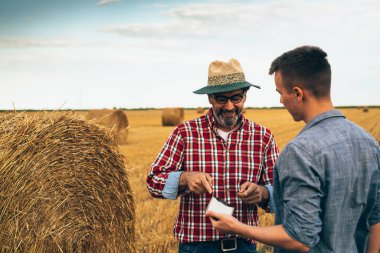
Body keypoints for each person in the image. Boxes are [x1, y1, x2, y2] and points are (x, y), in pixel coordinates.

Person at [206, 46, 380, 253]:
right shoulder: (368, 142)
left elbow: (300, 238)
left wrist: (239, 228)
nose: (280, 101)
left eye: (280, 93)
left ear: (297, 93)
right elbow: (375, 221)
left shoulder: (300, 151)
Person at [146, 58, 279, 252]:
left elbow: (280, 191)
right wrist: (185, 178)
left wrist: (262, 193)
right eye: (221, 99)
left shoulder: (263, 137)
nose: (229, 107)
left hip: (243, 246)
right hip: (197, 247)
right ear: (209, 98)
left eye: (236, 98)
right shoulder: (185, 133)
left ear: (245, 96)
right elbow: (153, 181)